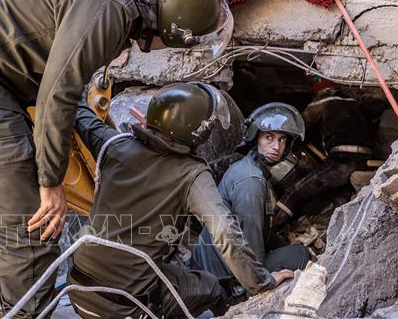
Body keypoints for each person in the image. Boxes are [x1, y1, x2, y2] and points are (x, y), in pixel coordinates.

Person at [0, 0, 233, 316]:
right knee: (33, 222)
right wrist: (50, 182)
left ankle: (14, 309)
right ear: (175, 27)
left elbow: (65, 86)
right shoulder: (111, 10)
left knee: (5, 217)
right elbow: (58, 94)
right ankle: (26, 311)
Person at [67, 83, 294, 318]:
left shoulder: (116, 145)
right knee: (213, 287)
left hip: (78, 283)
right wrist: (263, 283)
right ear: (199, 131)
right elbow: (226, 232)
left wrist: (69, 85)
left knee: (169, 273)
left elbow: (82, 116)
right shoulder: (192, 175)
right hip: (124, 304)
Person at [190, 102, 313, 295]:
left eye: (282, 140)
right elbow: (250, 239)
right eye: (269, 138)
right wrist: (261, 284)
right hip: (223, 280)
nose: (276, 146)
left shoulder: (249, 168)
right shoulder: (251, 181)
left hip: (210, 267)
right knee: (299, 255)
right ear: (255, 138)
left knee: (291, 249)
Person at [272, 77, 376, 227]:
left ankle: (272, 228)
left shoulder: (322, 102)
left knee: (295, 193)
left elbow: (299, 126)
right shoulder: (352, 101)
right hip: (367, 158)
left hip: (343, 159)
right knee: (334, 193)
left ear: (317, 89)